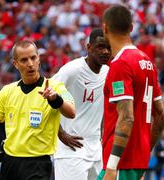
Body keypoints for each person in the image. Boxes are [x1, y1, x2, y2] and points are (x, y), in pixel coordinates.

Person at [0, 40, 75, 180]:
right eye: (24, 60)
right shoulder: (7, 92)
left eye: (33, 58)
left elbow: (71, 112)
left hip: (38, 164)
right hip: (10, 163)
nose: (30, 63)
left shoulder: (56, 87)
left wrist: (55, 99)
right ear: (15, 64)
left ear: (38, 59)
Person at [98, 4, 164, 180]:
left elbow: (127, 117)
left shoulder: (120, 64)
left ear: (104, 28)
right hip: (136, 163)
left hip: (120, 164)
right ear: (131, 27)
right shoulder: (147, 62)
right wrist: (143, 158)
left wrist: (112, 167)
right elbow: (161, 116)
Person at [52, 28, 111, 180]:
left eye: (109, 48)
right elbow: (45, 95)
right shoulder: (72, 70)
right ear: (88, 47)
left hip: (96, 150)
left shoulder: (108, 73)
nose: (105, 51)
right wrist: (60, 133)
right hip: (70, 151)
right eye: (100, 47)